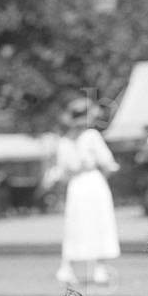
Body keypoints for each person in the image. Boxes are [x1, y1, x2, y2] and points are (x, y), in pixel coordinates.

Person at [55, 98, 121, 284]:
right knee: (99, 222)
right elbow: (107, 162)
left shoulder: (64, 141)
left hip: (76, 186)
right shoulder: (91, 135)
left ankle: (67, 267)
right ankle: (99, 268)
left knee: (76, 225)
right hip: (92, 182)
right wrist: (105, 173)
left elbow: (62, 172)